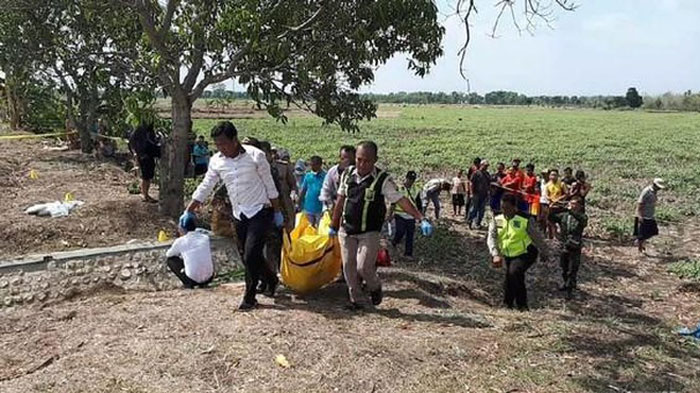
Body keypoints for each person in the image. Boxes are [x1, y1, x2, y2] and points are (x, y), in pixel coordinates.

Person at [184, 121, 284, 310]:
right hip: (239, 214)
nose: (221, 148)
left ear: (234, 139)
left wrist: (277, 212)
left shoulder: (256, 156)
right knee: (246, 255)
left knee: (252, 252)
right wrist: (189, 209)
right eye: (218, 145)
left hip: (260, 211)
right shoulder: (216, 161)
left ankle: (250, 296)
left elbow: (270, 186)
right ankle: (270, 279)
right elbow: (206, 185)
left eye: (224, 143)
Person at [330, 141, 433, 310]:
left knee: (363, 267)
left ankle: (375, 287)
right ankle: (358, 301)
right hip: (347, 230)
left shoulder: (383, 180)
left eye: (367, 161)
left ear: (375, 160)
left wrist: (420, 218)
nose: (362, 164)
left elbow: (401, 200)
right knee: (348, 267)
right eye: (359, 159)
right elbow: (340, 200)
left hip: (369, 232)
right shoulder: (347, 174)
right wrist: (333, 226)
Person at [487, 193, 549, 311]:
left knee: (514, 272)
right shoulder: (497, 219)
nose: (504, 211)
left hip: (526, 252)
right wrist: (495, 254)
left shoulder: (525, 219)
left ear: (515, 207)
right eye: (502, 208)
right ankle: (512, 305)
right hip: (509, 254)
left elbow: (537, 238)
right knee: (512, 276)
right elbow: (492, 237)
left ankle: (518, 304)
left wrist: (544, 251)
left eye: (507, 208)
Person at [549, 196, 588, 300]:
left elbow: (583, 221)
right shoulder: (564, 216)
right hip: (564, 244)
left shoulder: (582, 216)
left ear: (579, 206)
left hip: (575, 245)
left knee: (573, 268)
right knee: (564, 266)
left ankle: (570, 289)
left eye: (574, 204)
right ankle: (566, 283)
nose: (572, 205)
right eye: (571, 203)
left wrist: (570, 210)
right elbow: (551, 217)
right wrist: (552, 207)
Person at [165, 213, 214, 289]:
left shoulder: (181, 241)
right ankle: (204, 283)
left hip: (193, 279)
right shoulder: (205, 237)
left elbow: (168, 254)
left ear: (182, 228)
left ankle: (188, 284)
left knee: (171, 260)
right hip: (209, 278)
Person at [390, 171, 422, 258]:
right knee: (400, 231)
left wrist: (421, 216)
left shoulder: (416, 189)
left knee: (410, 235)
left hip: (411, 216)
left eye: (413, 180)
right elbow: (393, 202)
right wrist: (389, 214)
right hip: (399, 214)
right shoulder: (399, 189)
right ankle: (395, 242)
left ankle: (408, 253)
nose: (411, 181)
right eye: (410, 179)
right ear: (406, 178)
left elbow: (419, 204)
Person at [128, 122, 160, 203]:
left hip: (147, 155)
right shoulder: (141, 131)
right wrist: (137, 154)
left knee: (148, 176)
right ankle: (145, 195)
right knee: (146, 177)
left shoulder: (147, 131)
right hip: (144, 156)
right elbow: (132, 143)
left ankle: (145, 194)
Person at [320, 145, 356, 212]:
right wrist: (330, 206)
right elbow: (325, 190)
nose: (347, 161)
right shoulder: (333, 171)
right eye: (343, 158)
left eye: (350, 159)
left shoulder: (358, 173)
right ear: (339, 158)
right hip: (333, 207)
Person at [634, 178, 666, 253]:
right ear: (654, 184)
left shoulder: (654, 192)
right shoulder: (646, 191)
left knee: (653, 231)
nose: (659, 189)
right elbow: (640, 203)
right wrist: (640, 216)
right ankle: (640, 250)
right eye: (658, 187)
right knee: (642, 235)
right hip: (643, 216)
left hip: (650, 215)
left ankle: (640, 242)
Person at [272, 148, 297, 231]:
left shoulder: (283, 167)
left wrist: (293, 194)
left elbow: (293, 184)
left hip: (285, 202)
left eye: (274, 153)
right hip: (270, 204)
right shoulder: (261, 168)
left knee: (289, 227)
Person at [298, 156, 326, 227]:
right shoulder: (308, 176)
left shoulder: (325, 176)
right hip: (309, 207)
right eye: (311, 165)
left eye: (314, 165)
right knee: (309, 229)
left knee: (320, 229)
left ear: (320, 165)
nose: (312, 167)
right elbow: (303, 190)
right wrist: (299, 203)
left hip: (320, 208)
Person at [545, 169, 568, 238]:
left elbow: (566, 193)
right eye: (552, 175)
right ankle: (554, 237)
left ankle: (563, 237)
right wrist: (550, 199)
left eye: (555, 175)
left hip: (560, 207)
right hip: (552, 207)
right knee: (551, 223)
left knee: (562, 223)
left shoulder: (561, 184)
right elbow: (546, 195)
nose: (553, 176)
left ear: (558, 176)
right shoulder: (548, 185)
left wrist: (559, 199)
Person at [467, 160, 490, 229]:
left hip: (484, 194)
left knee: (482, 210)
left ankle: (478, 223)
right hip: (476, 193)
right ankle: (470, 221)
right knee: (474, 208)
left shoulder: (487, 174)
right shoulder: (476, 173)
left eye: (487, 166)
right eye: (485, 166)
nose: (486, 167)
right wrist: (471, 193)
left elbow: (489, 183)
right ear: (481, 165)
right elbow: (471, 183)